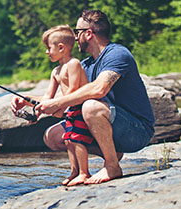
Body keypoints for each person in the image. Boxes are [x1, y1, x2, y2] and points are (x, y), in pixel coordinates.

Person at [34, 9, 155, 185]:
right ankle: (111, 153)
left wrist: (58, 103)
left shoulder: (118, 54)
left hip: (137, 131)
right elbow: (66, 96)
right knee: (52, 136)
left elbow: (100, 89)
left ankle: (112, 165)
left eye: (77, 32)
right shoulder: (86, 64)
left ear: (88, 33)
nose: (75, 38)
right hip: (113, 125)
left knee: (90, 106)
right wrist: (26, 100)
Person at [13, 25, 93, 186]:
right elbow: (47, 97)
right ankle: (74, 172)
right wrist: (35, 112)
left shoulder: (74, 64)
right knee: (68, 140)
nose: (46, 52)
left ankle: (84, 173)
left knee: (77, 140)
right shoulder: (55, 71)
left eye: (48, 48)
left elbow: (73, 89)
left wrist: (60, 108)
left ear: (61, 47)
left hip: (79, 108)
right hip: (69, 109)